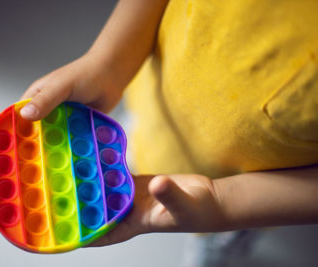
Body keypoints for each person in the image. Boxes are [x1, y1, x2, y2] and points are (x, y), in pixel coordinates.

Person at [19, 0, 318, 261]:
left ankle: (221, 239)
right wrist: (109, 62)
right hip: (158, 102)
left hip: (256, 189)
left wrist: (222, 207)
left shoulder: (233, 202)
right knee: (127, 146)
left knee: (227, 228)